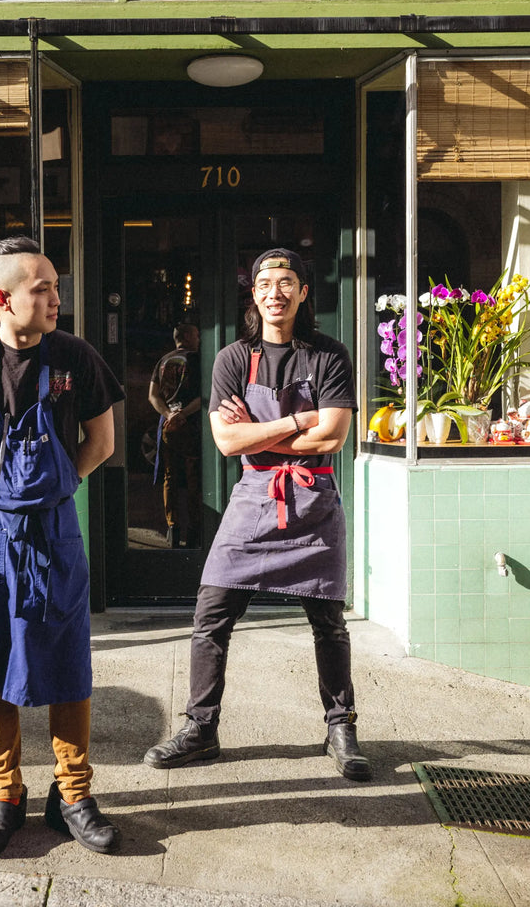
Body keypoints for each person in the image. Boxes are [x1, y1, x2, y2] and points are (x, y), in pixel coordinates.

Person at [0, 236, 126, 857]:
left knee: (65, 660)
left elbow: (102, 443)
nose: (56, 299)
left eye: (56, 287)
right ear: (3, 298)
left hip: (53, 527)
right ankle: (4, 793)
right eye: (43, 289)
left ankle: (73, 795)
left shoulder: (75, 357)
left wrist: (55, 488)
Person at [142, 247, 370, 782]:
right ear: (254, 293)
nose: (275, 292)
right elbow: (226, 442)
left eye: (286, 282)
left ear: (303, 292)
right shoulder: (232, 358)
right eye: (265, 283)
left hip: (312, 498)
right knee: (211, 614)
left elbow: (333, 437)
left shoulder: (329, 355)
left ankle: (341, 728)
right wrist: (298, 421)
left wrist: (259, 432)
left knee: (328, 623)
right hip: (253, 496)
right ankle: (201, 729)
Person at [147, 322, 202, 549]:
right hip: (190, 424)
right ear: (187, 337)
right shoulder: (196, 360)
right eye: (196, 335)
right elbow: (204, 395)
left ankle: (173, 527)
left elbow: (153, 395)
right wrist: (184, 414)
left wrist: (169, 414)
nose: (199, 339)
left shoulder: (163, 361)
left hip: (168, 426)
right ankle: (194, 529)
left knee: (170, 477)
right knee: (193, 477)